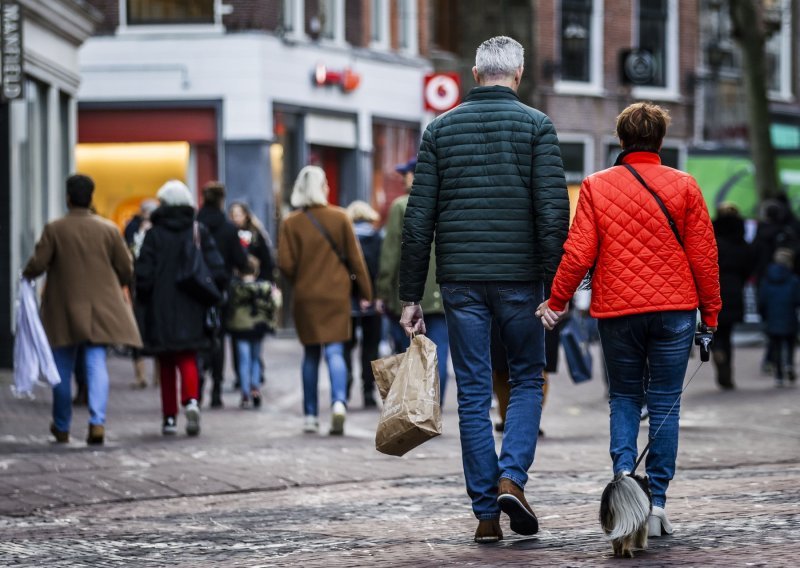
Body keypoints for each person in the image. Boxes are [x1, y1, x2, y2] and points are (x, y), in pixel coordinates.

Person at [398, 36, 570, 543]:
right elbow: (553, 214)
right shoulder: (538, 126)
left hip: (461, 283)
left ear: (475, 74)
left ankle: (485, 515)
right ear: (517, 76)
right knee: (525, 377)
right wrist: (556, 289)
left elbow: (417, 221)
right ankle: (511, 478)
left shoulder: (439, 130)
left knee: (472, 392)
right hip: (521, 280)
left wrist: (411, 295)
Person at [536, 102, 721, 538]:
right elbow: (704, 258)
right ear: (659, 140)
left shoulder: (597, 186)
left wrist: (557, 300)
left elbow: (578, 251)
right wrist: (710, 315)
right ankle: (656, 503)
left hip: (618, 310)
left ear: (621, 140)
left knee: (623, 398)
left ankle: (624, 488)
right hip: (675, 311)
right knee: (664, 402)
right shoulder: (685, 186)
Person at [23, 174, 143, 445]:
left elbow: (38, 264)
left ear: (68, 198)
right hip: (100, 308)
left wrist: (26, 275)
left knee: (61, 368)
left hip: (63, 307)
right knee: (96, 363)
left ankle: (62, 426)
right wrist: (117, 283)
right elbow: (126, 268)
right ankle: (97, 423)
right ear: (91, 197)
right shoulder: (109, 229)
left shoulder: (55, 229)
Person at [278, 165, 373, 436]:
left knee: (310, 354)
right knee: (335, 351)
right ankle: (339, 404)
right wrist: (366, 293)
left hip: (306, 296)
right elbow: (356, 260)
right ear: (321, 187)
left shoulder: (290, 222)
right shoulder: (341, 217)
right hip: (336, 294)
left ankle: (310, 416)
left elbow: (284, 264)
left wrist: (302, 277)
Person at [134, 180, 227, 436]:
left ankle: (169, 418)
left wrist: (144, 297)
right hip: (192, 303)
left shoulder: (154, 234)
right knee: (188, 356)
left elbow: (144, 274)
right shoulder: (198, 230)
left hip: (161, 306)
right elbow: (217, 269)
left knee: (165, 361)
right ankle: (192, 401)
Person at [376, 157, 451, 403]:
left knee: (409, 351)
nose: (403, 178)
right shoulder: (447, 204)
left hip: (409, 294)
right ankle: (433, 404)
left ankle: (413, 404)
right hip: (443, 292)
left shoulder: (401, 206)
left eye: (406, 173)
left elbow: (391, 254)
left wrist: (383, 292)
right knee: (437, 352)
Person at [196, 181, 248, 407]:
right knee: (219, 339)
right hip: (220, 290)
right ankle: (216, 389)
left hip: (195, 288)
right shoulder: (228, 228)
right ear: (221, 200)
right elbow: (241, 261)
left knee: (198, 338)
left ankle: (196, 386)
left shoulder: (195, 225)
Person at [228, 201, 277, 390]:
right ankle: (246, 381)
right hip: (238, 294)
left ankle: (252, 381)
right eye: (233, 214)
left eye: (238, 214)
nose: (236, 218)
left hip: (256, 294)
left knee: (253, 347)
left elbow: (268, 263)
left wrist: (262, 283)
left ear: (246, 215)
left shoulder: (257, 236)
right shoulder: (230, 234)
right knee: (240, 345)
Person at [344, 200, 383, 408]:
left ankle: (345, 388)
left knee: (346, 347)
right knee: (371, 349)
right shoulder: (377, 238)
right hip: (372, 301)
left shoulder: (346, 238)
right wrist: (375, 295)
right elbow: (381, 268)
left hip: (348, 301)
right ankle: (368, 392)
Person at [713, 203, 755, 390]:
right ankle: (728, 371)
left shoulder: (713, 237)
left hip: (714, 285)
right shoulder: (740, 240)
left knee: (713, 327)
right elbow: (748, 265)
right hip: (734, 287)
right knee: (728, 331)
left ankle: (717, 350)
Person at [226, 255, 279, 408]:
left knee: (243, 361)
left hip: (240, 327)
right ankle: (255, 387)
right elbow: (274, 303)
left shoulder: (234, 287)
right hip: (258, 326)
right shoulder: (264, 287)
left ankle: (244, 393)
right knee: (256, 359)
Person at [125, 198, 159, 389]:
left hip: (153, 290)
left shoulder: (159, 230)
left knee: (156, 332)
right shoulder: (133, 227)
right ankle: (141, 376)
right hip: (138, 288)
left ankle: (157, 376)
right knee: (137, 332)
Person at [758, 247, 800, 387]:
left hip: (772, 318)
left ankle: (779, 375)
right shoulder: (793, 279)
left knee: (775, 346)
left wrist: (763, 315)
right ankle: (788, 364)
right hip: (789, 316)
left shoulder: (767, 279)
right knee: (789, 343)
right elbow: (797, 300)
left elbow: (762, 300)